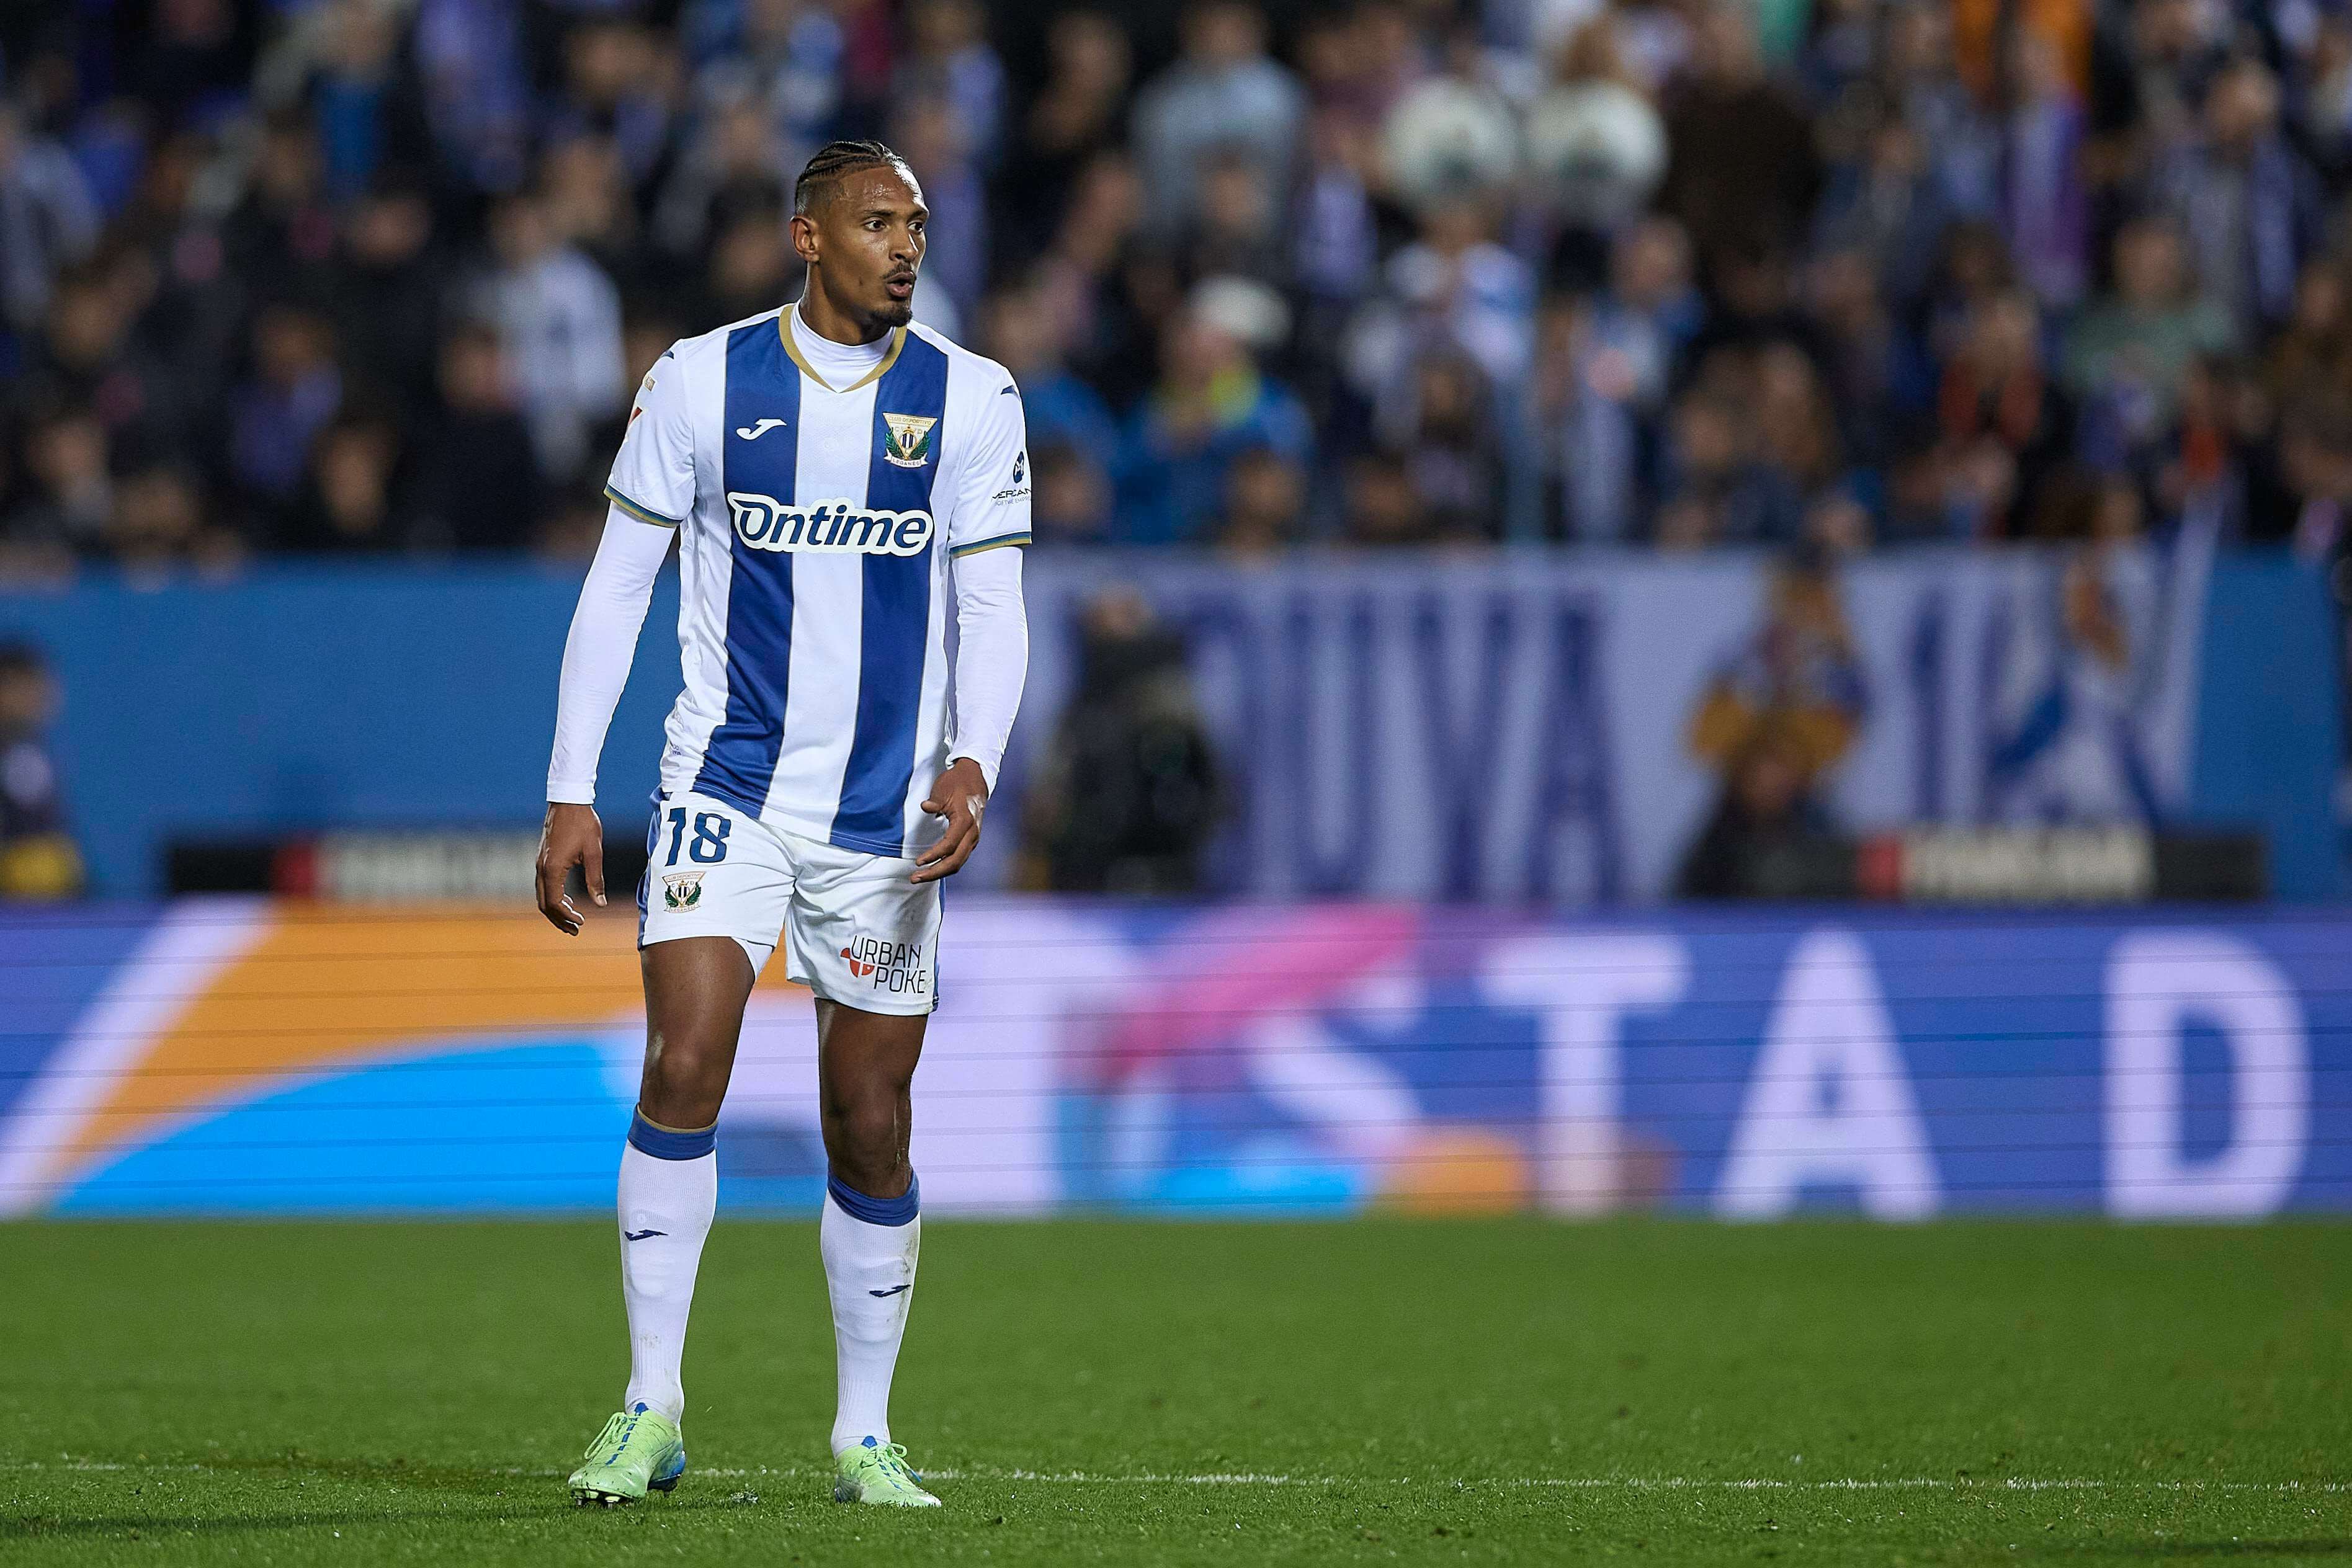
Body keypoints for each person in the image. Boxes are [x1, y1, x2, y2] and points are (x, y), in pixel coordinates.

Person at [534, 140, 1030, 1511]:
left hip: (884, 813)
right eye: (879, 224)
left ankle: (864, 1433)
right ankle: (651, 1405)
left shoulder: (975, 398)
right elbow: (619, 583)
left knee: (866, 1120)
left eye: (919, 225)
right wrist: (572, 786)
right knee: (685, 1058)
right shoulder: (700, 382)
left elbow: (993, 607)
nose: (906, 248)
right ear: (808, 236)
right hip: (724, 788)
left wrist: (975, 760)